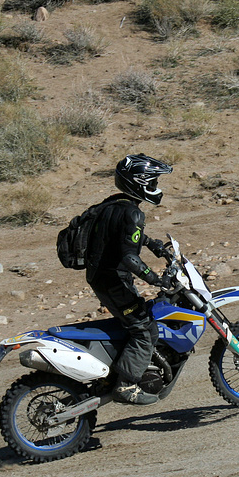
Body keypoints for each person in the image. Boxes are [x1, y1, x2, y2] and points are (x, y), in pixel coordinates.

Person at [86, 153, 173, 405]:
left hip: (102, 276)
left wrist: (152, 244)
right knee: (144, 330)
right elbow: (127, 258)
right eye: (153, 182)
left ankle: (120, 369)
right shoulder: (133, 214)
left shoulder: (114, 204)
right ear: (139, 183)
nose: (156, 187)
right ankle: (125, 385)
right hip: (113, 281)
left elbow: (120, 236)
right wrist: (155, 279)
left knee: (141, 321)